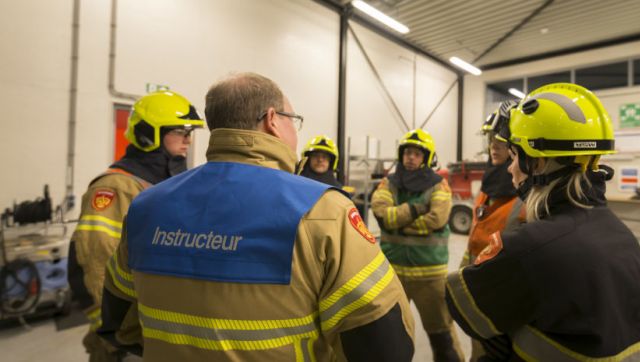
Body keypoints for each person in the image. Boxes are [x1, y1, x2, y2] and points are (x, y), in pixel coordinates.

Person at [97, 72, 415, 361]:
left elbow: (119, 320)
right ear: (273, 120)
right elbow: (386, 342)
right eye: (294, 119)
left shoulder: (146, 206)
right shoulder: (324, 211)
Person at [446, 83, 640, 361]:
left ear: (537, 164)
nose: (511, 168)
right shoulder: (619, 233)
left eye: (514, 157)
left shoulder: (528, 246)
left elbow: (462, 306)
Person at [67, 90, 204, 362]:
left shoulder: (164, 184)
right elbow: (95, 262)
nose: (188, 140)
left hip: (155, 331)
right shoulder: (116, 187)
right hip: (124, 341)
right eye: (181, 131)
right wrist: (116, 332)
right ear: (148, 134)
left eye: (190, 133)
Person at [371, 129, 464, 362]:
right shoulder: (388, 183)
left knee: (442, 336)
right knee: (389, 337)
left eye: (416, 154)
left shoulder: (439, 185)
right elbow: (382, 216)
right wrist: (416, 209)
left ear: (426, 157)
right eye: (407, 153)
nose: (411, 158)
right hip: (393, 274)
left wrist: (399, 224)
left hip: (430, 276)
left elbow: (437, 219)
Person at [461, 101, 525, 362]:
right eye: (490, 139)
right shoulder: (489, 185)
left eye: (502, 139)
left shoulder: (530, 196)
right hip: (482, 295)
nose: (493, 146)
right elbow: (477, 237)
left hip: (510, 305)